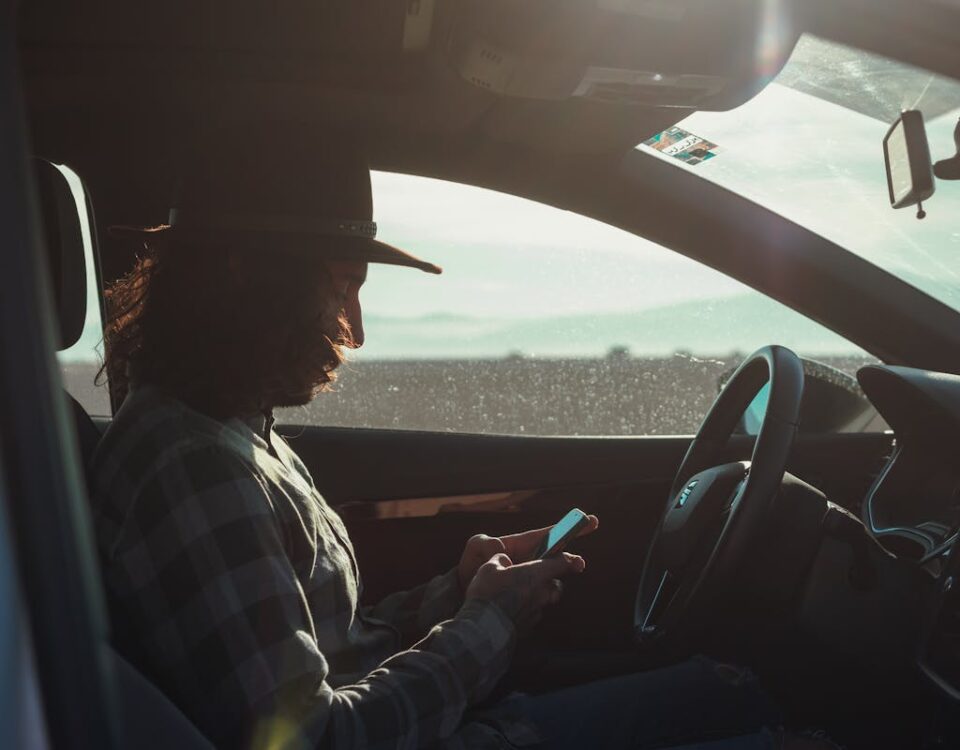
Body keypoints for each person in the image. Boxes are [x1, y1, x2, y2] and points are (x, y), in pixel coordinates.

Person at [90, 129, 836, 749]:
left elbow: (330, 648)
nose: (354, 329)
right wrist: (490, 624)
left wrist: (454, 595)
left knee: (726, 687)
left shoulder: (228, 426)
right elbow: (313, 740)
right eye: (341, 288)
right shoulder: (197, 471)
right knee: (776, 717)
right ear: (244, 279)